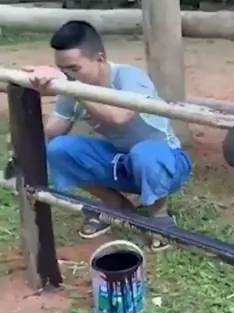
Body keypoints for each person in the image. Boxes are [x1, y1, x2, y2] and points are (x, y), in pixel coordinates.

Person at [24, 19, 192, 242]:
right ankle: (117, 206)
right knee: (58, 149)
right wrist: (22, 150)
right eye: (62, 69)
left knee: (145, 153)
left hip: (168, 162)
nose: (68, 76)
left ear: (100, 59)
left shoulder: (130, 77)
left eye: (74, 69)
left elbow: (119, 117)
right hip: (120, 162)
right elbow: (54, 131)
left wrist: (72, 87)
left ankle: (158, 217)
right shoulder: (72, 87)